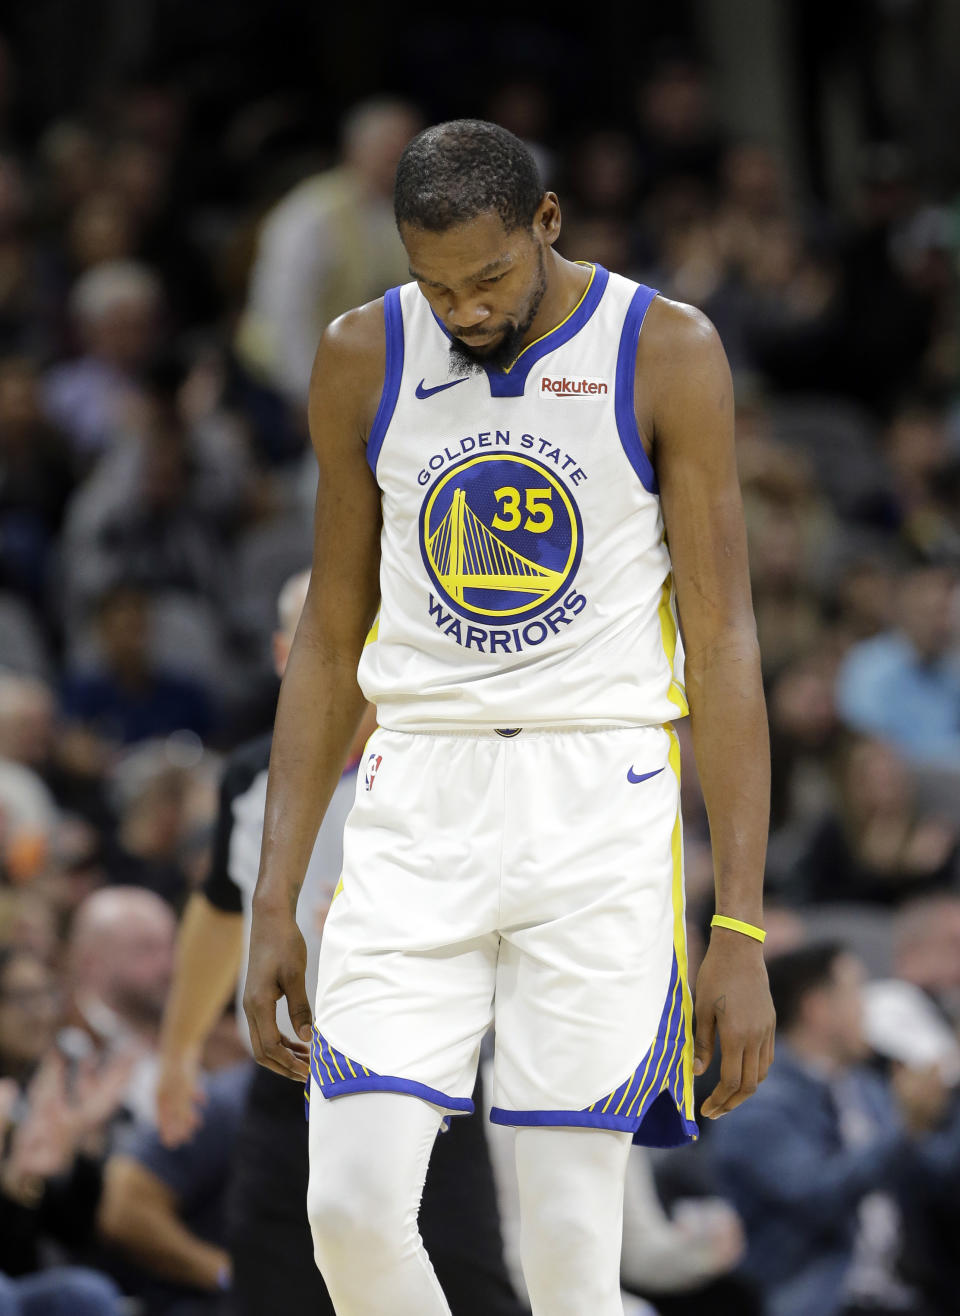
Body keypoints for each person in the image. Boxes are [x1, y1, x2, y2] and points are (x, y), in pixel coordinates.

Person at [244, 119, 774, 1316]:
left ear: (547, 224)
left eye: (486, 280)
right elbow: (329, 634)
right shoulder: (360, 354)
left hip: (602, 794)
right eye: (436, 286)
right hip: (415, 792)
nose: (464, 310)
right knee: (353, 1211)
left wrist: (739, 920)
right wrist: (273, 897)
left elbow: (728, 641)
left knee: (574, 1250)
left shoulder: (668, 349)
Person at [156, 569, 523, 1316]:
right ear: (285, 654)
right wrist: (177, 1051)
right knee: (271, 1286)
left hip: (427, 1076)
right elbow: (222, 913)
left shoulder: (447, 759)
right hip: (287, 1071)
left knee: (467, 1282)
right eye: (322, 643)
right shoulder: (250, 776)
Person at [711, 942, 960, 1316]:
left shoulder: (866, 1088)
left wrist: (938, 1116)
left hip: (903, 1294)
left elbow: (931, 1174)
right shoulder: (757, 1105)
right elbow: (816, 1195)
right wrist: (908, 1127)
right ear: (818, 1009)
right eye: (856, 994)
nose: (867, 1010)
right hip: (814, 1298)